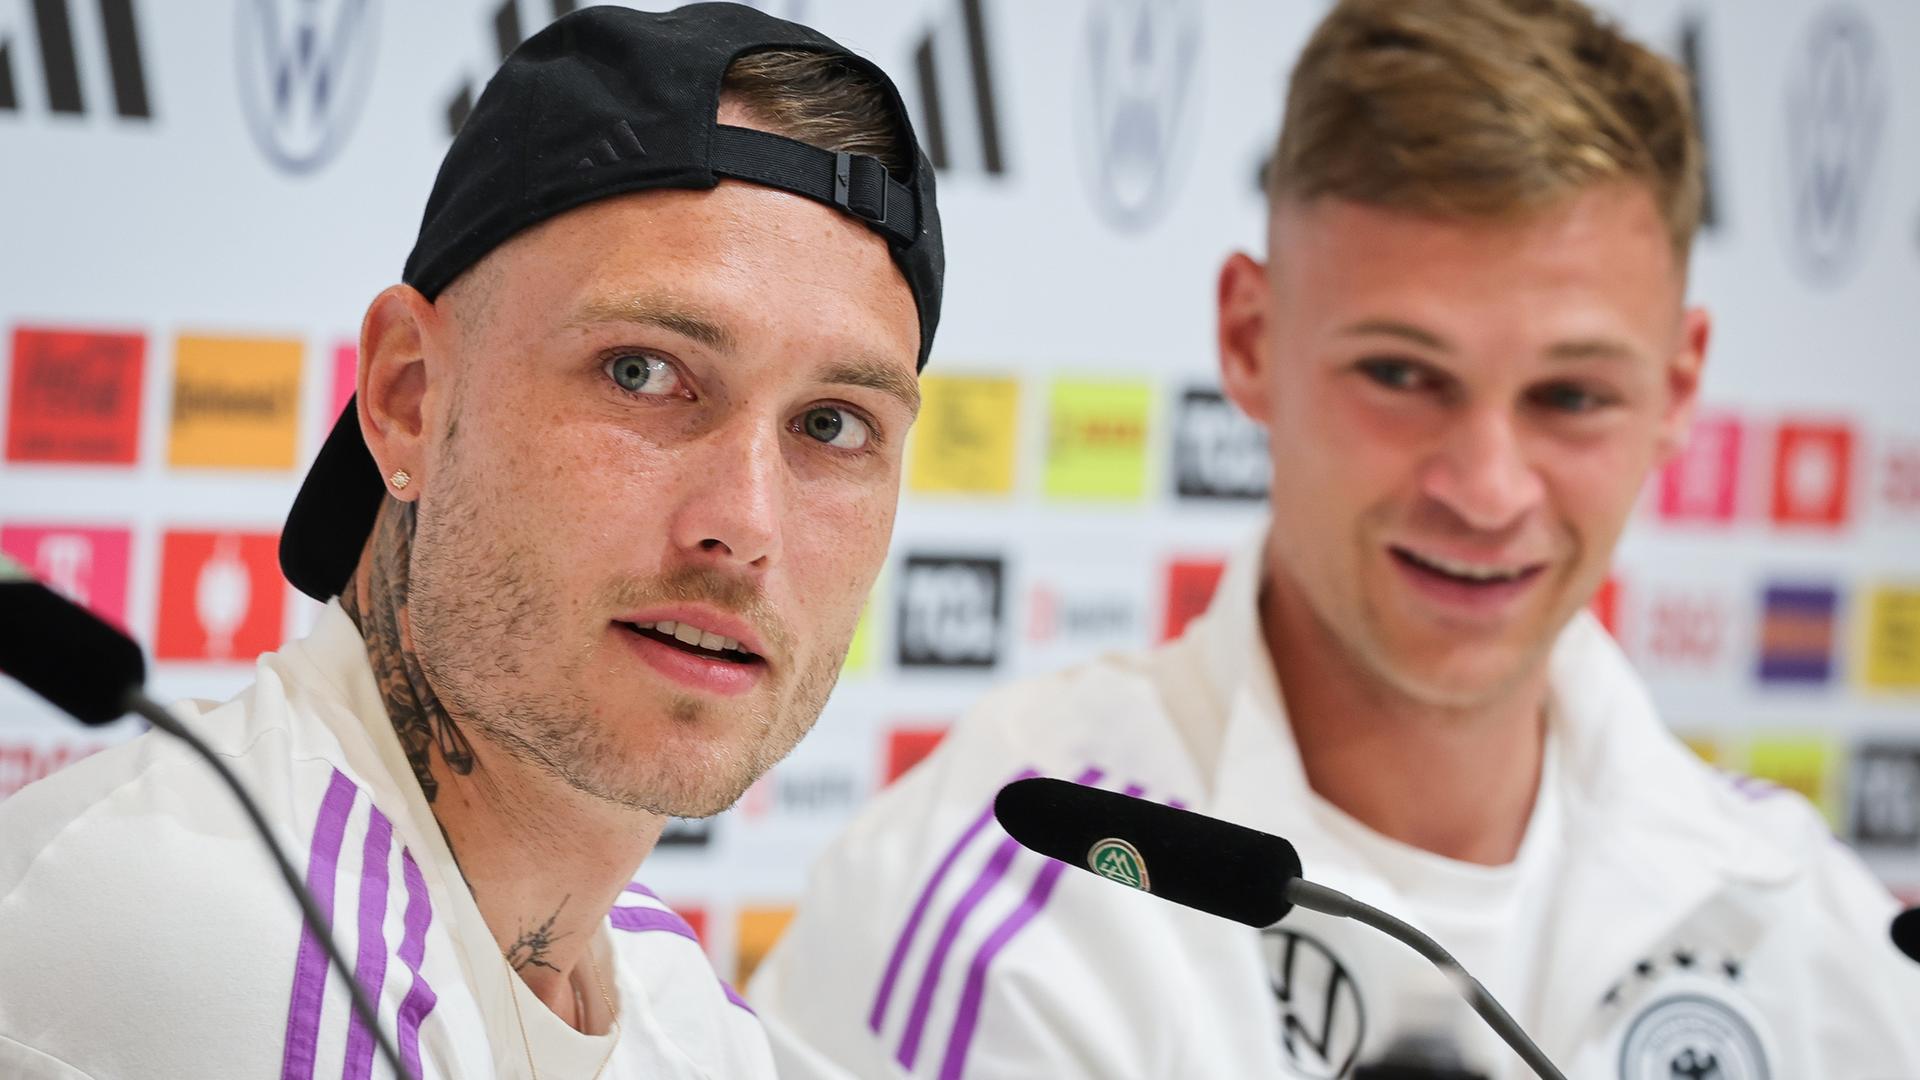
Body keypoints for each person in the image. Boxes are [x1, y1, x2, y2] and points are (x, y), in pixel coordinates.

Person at [748, 1, 1920, 1077]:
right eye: (1401, 374)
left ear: (1678, 390)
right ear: (1250, 340)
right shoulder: (1003, 895)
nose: (1487, 491)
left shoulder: (1802, 909)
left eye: (1572, 396)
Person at [0, 4, 942, 1077]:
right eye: (642, 372)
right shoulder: (208, 946)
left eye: (832, 426)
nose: (746, 522)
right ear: (408, 395)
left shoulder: (681, 1013)